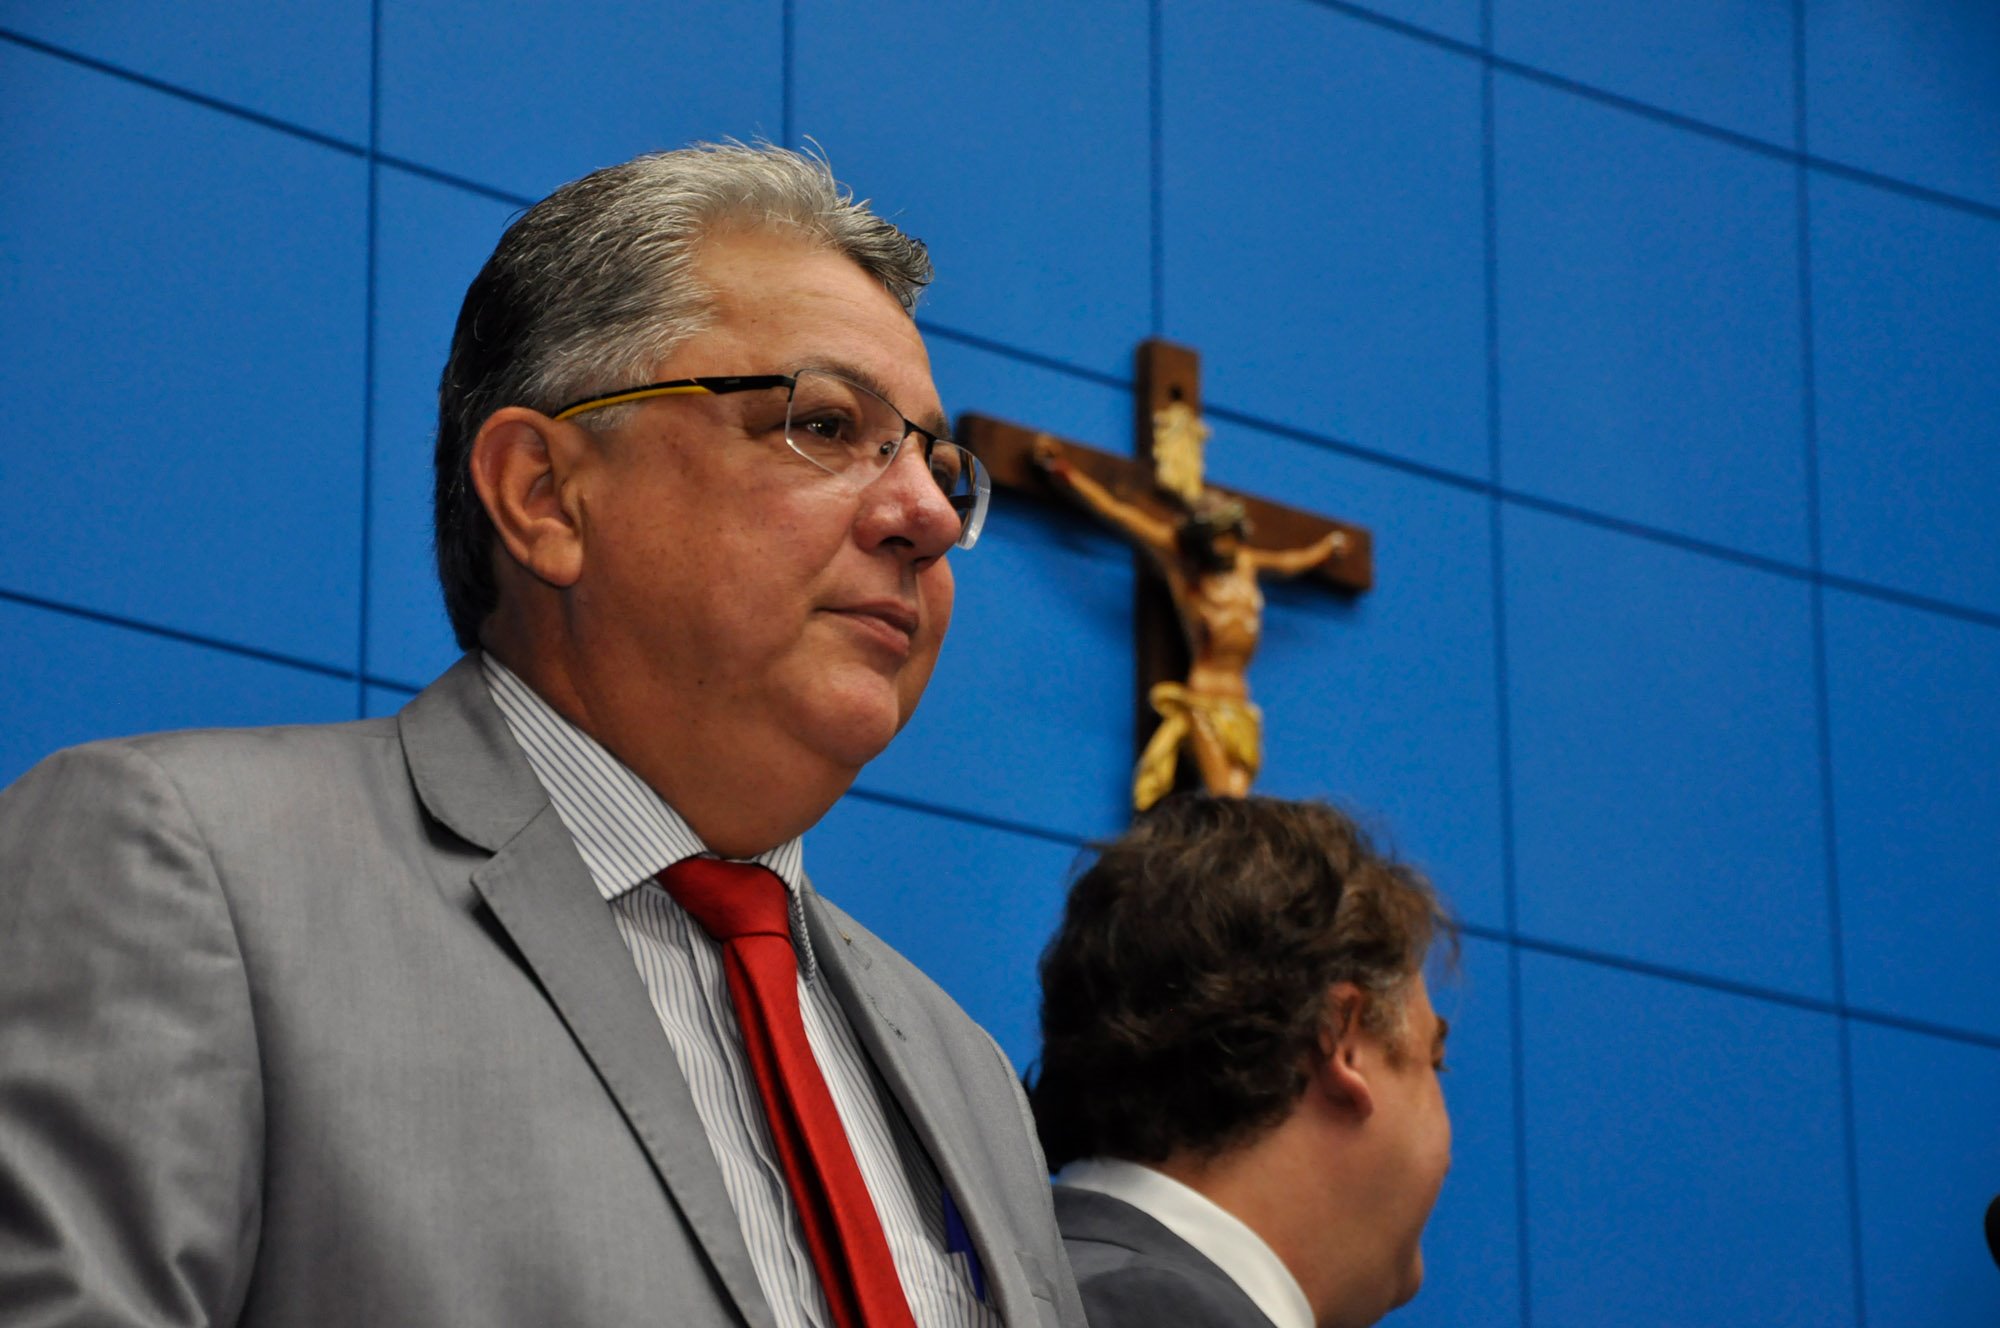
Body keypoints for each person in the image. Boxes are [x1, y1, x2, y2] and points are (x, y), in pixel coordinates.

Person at [0, 144, 1085, 1328]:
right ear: (544, 493)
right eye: (825, 423)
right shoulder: (193, 873)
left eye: (938, 466)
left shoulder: (965, 1071)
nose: (927, 515)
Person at [1028, 795, 1454, 1328]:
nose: (1448, 1148)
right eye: (1433, 1061)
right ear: (1341, 1041)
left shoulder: (1001, 1278)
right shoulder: (1162, 1313)